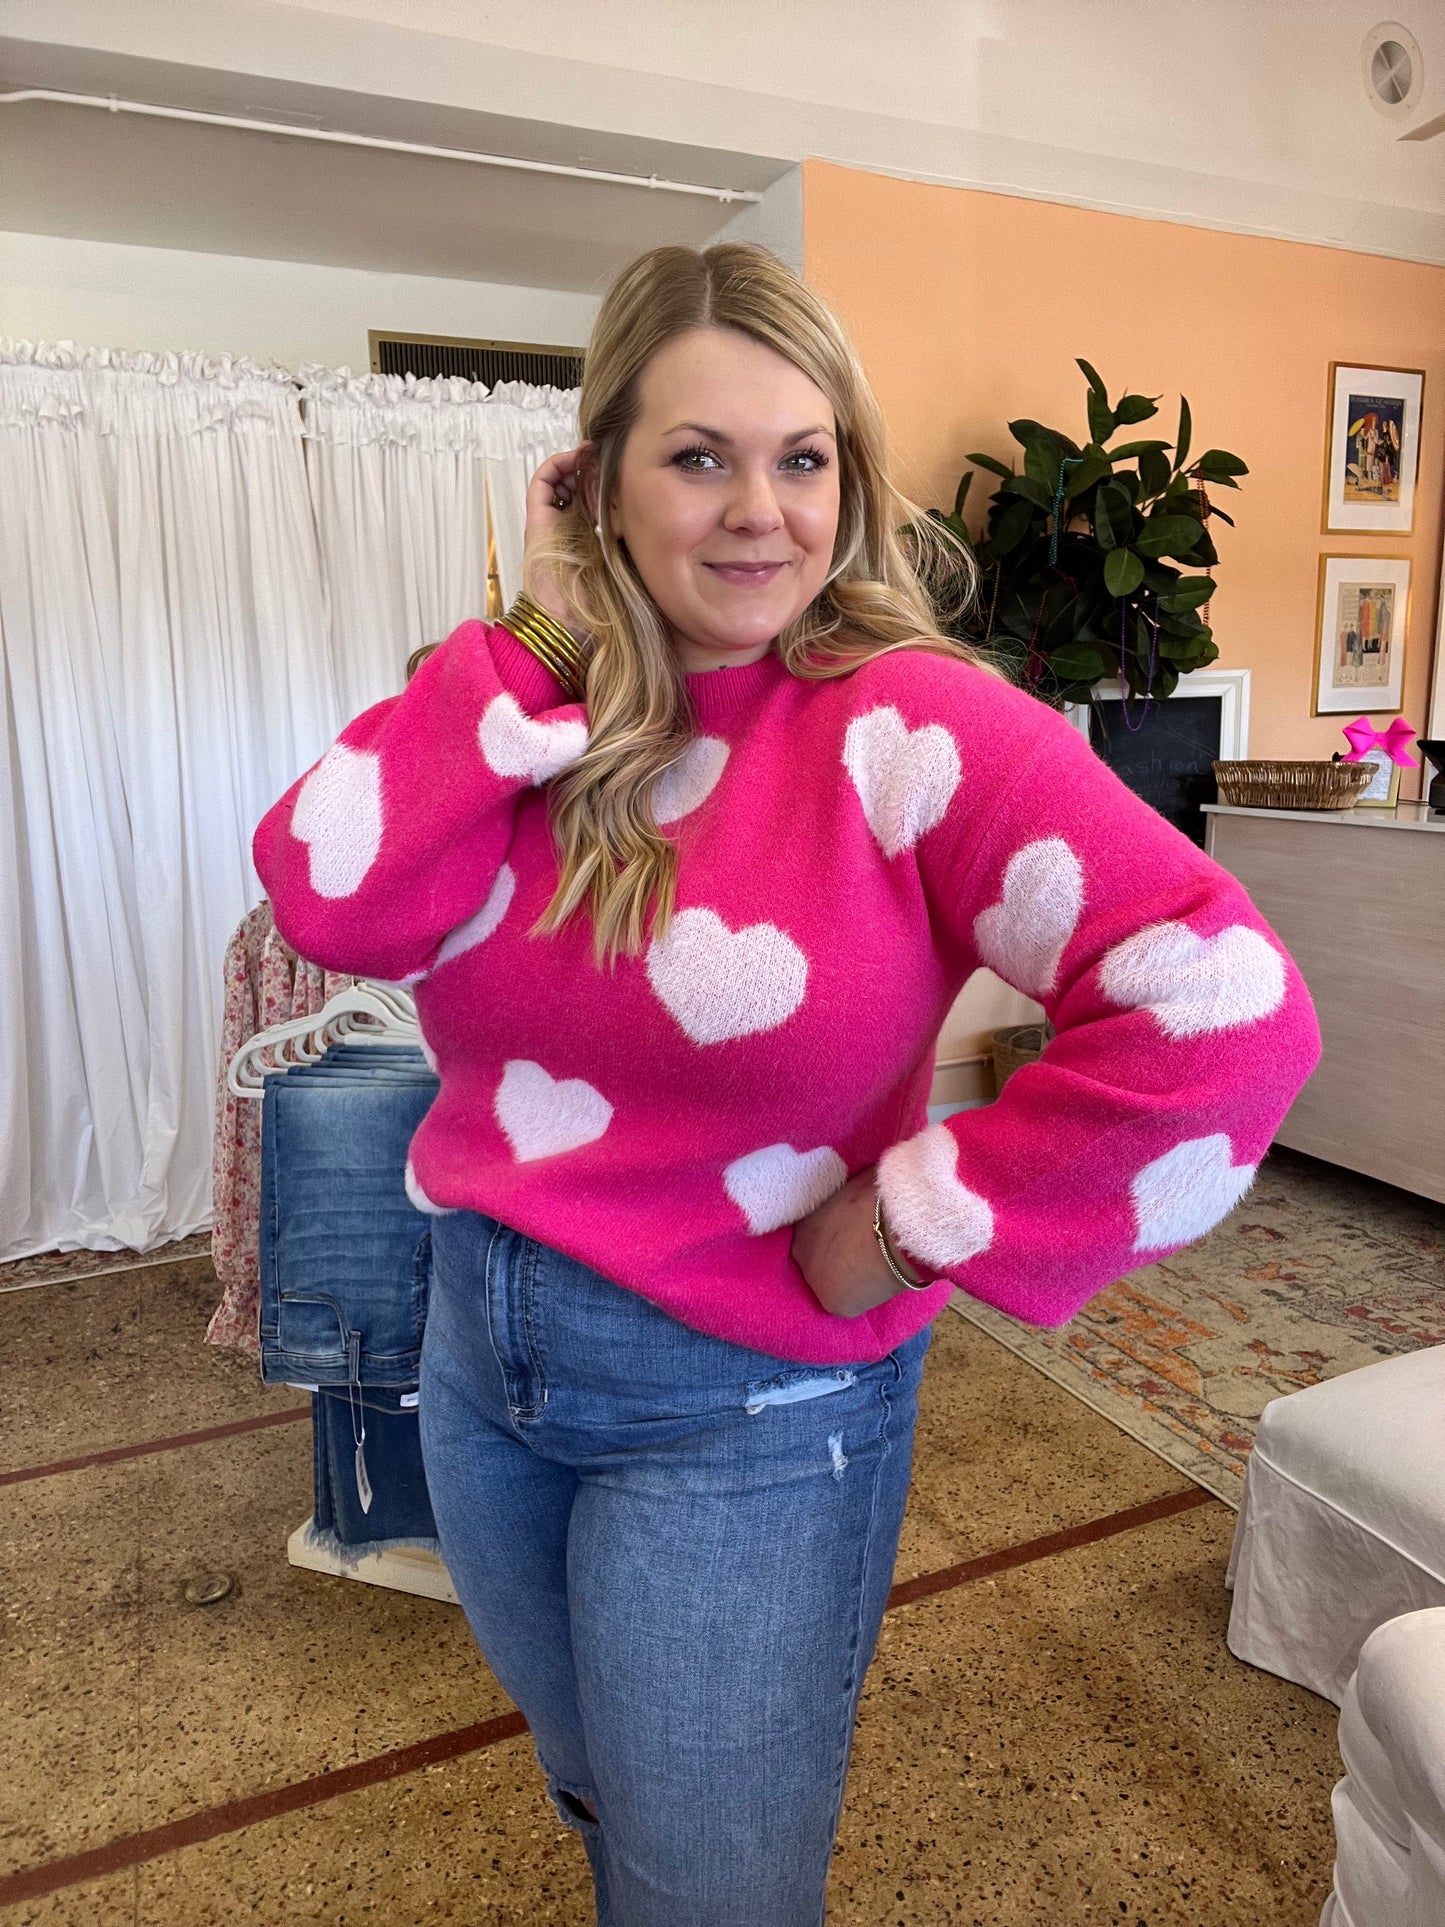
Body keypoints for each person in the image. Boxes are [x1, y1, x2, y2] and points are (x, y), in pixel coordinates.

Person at [254, 242, 1320, 1926]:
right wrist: (542, 623)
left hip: (742, 1407)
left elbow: (1225, 1007)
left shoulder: (907, 726)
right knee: (593, 1789)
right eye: (697, 457)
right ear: (598, 484)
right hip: (477, 1357)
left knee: (707, 1892)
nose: (761, 510)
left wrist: (907, 1221)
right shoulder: (528, 715)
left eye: (801, 457)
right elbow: (327, 898)